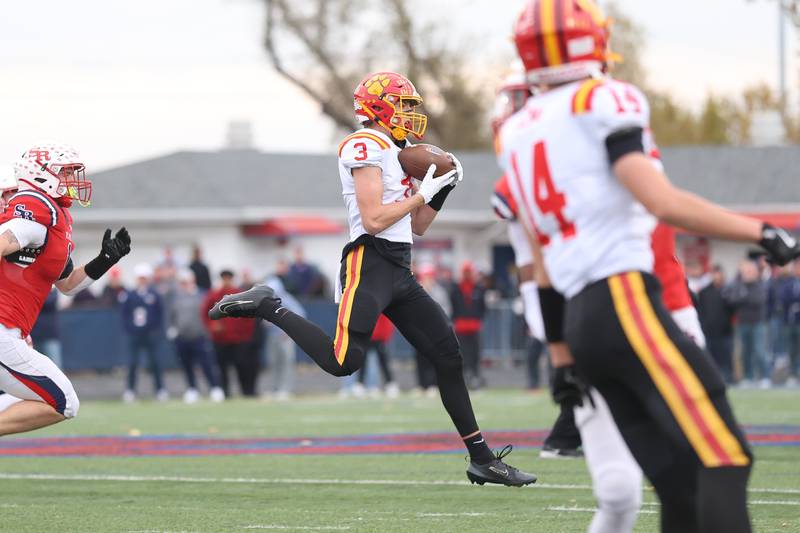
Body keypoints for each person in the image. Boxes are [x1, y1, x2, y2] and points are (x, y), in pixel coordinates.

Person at [504, 2, 799, 531]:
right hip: (624, 299)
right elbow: (660, 201)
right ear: (588, 43)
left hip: (579, 322)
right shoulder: (603, 98)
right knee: (724, 455)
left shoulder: (519, 132)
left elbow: (542, 263)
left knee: (678, 479)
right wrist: (761, 231)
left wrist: (562, 358)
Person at [210, 71, 536, 486]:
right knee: (343, 363)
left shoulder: (397, 149)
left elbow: (416, 226)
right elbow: (374, 219)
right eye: (403, 105)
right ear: (379, 107)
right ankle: (268, 305)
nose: (410, 114)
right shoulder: (363, 144)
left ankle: (482, 458)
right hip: (369, 262)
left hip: (399, 266)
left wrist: (441, 190)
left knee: (447, 354)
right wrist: (421, 192)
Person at [0, 142, 130, 435]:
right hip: (3, 329)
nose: (73, 180)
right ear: (42, 175)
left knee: (38, 397)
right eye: (67, 172)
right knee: (63, 401)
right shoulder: (33, 215)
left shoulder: (52, 223)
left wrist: (104, 261)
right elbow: (9, 238)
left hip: (12, 331)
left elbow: (68, 285)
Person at [167, 269, 225, 403]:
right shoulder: (176, 298)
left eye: (186, 282)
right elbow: (171, 315)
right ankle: (192, 389)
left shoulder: (202, 295)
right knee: (186, 365)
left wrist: (209, 328)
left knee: (206, 364)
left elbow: (210, 313)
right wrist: (172, 328)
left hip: (200, 336)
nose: (183, 285)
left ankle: (215, 388)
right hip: (182, 337)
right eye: (181, 282)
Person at [202, 270, 258, 397]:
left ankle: (246, 392)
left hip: (238, 339)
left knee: (242, 366)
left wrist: (245, 335)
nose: (226, 281)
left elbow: (249, 316)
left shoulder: (240, 294)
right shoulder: (214, 295)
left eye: (228, 278)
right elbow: (205, 312)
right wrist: (212, 326)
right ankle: (225, 393)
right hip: (221, 340)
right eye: (224, 278)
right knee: (222, 368)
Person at [120, 263, 167, 402]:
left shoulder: (154, 295)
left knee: (155, 362)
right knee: (133, 363)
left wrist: (155, 330)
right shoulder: (129, 295)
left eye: (144, 278)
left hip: (150, 334)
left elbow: (160, 314)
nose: (142, 280)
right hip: (134, 334)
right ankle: (130, 390)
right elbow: (124, 315)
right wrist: (129, 329)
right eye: (140, 278)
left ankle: (160, 390)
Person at [690, 264, 735, 383]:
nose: (716, 276)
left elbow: (733, 309)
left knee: (726, 357)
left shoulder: (727, 290)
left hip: (725, 331)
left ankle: (729, 378)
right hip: (709, 331)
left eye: (718, 273)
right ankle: (714, 380)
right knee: (711, 358)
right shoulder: (704, 292)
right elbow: (700, 310)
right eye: (714, 274)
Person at [727, 260, 769, 386]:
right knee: (745, 351)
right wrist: (744, 297)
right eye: (745, 271)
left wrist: (744, 298)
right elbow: (732, 300)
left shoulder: (760, 284)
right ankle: (748, 377)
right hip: (742, 323)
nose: (748, 274)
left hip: (757, 323)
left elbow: (759, 300)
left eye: (750, 271)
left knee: (760, 350)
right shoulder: (737, 284)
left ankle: (765, 377)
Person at [262, 275, 304, 400]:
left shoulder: (287, 299)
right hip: (272, 336)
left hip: (285, 337)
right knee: (274, 362)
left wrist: (289, 331)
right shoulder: (267, 301)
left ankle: (286, 389)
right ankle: (276, 388)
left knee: (287, 363)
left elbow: (300, 314)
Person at [449, 261, 487, 390]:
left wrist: (478, 319)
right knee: (462, 354)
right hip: (461, 326)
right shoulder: (456, 288)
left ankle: (475, 377)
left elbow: (482, 307)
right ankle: (464, 378)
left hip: (474, 326)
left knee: (475, 354)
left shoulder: (478, 288)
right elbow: (453, 305)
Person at [30, 288, 62, 368]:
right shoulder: (31, 286)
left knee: (55, 368)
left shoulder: (52, 288)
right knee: (35, 368)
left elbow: (48, 302)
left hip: (49, 335)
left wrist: (33, 296)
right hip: (33, 335)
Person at [782, 260, 800, 384]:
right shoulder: (789, 283)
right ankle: (793, 374)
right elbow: (784, 298)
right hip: (791, 321)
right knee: (792, 349)